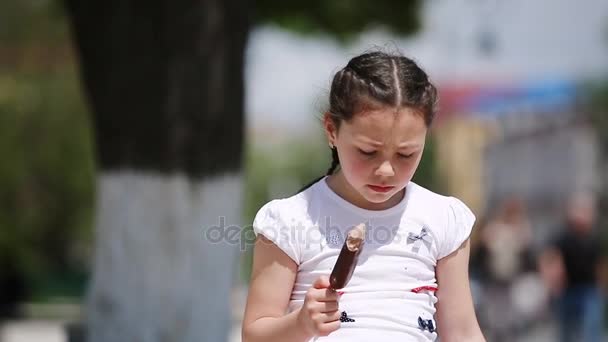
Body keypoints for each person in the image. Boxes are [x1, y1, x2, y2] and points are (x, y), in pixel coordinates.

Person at [241, 51, 485, 342]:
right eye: (368, 152)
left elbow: (463, 332)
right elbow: (254, 335)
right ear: (332, 130)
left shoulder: (444, 218)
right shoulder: (288, 220)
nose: (386, 170)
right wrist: (301, 323)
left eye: (406, 154)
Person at [539, 192, 606, 342]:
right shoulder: (564, 237)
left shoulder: (593, 238)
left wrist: (602, 285)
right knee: (566, 332)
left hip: (589, 290)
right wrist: (552, 281)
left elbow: (600, 264)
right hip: (568, 290)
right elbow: (549, 257)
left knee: (591, 331)